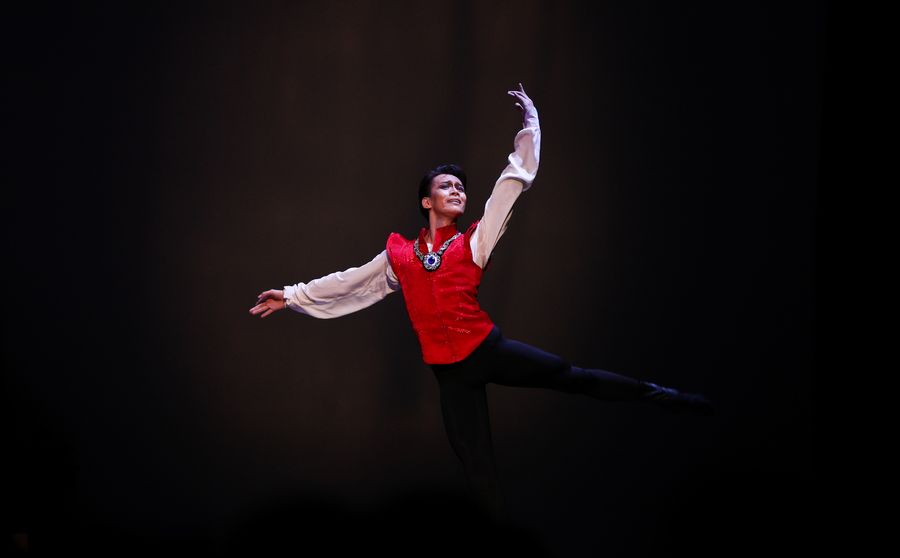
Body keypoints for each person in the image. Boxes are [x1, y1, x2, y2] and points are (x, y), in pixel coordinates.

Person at [249, 83, 712, 521]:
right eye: (447, 186)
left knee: (574, 377)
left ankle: (659, 395)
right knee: (477, 466)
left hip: (487, 350)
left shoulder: (475, 240)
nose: (457, 191)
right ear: (426, 202)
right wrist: (291, 296)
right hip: (450, 375)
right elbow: (349, 282)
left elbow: (511, 182)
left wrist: (531, 126)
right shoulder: (399, 256)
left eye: (461, 187)